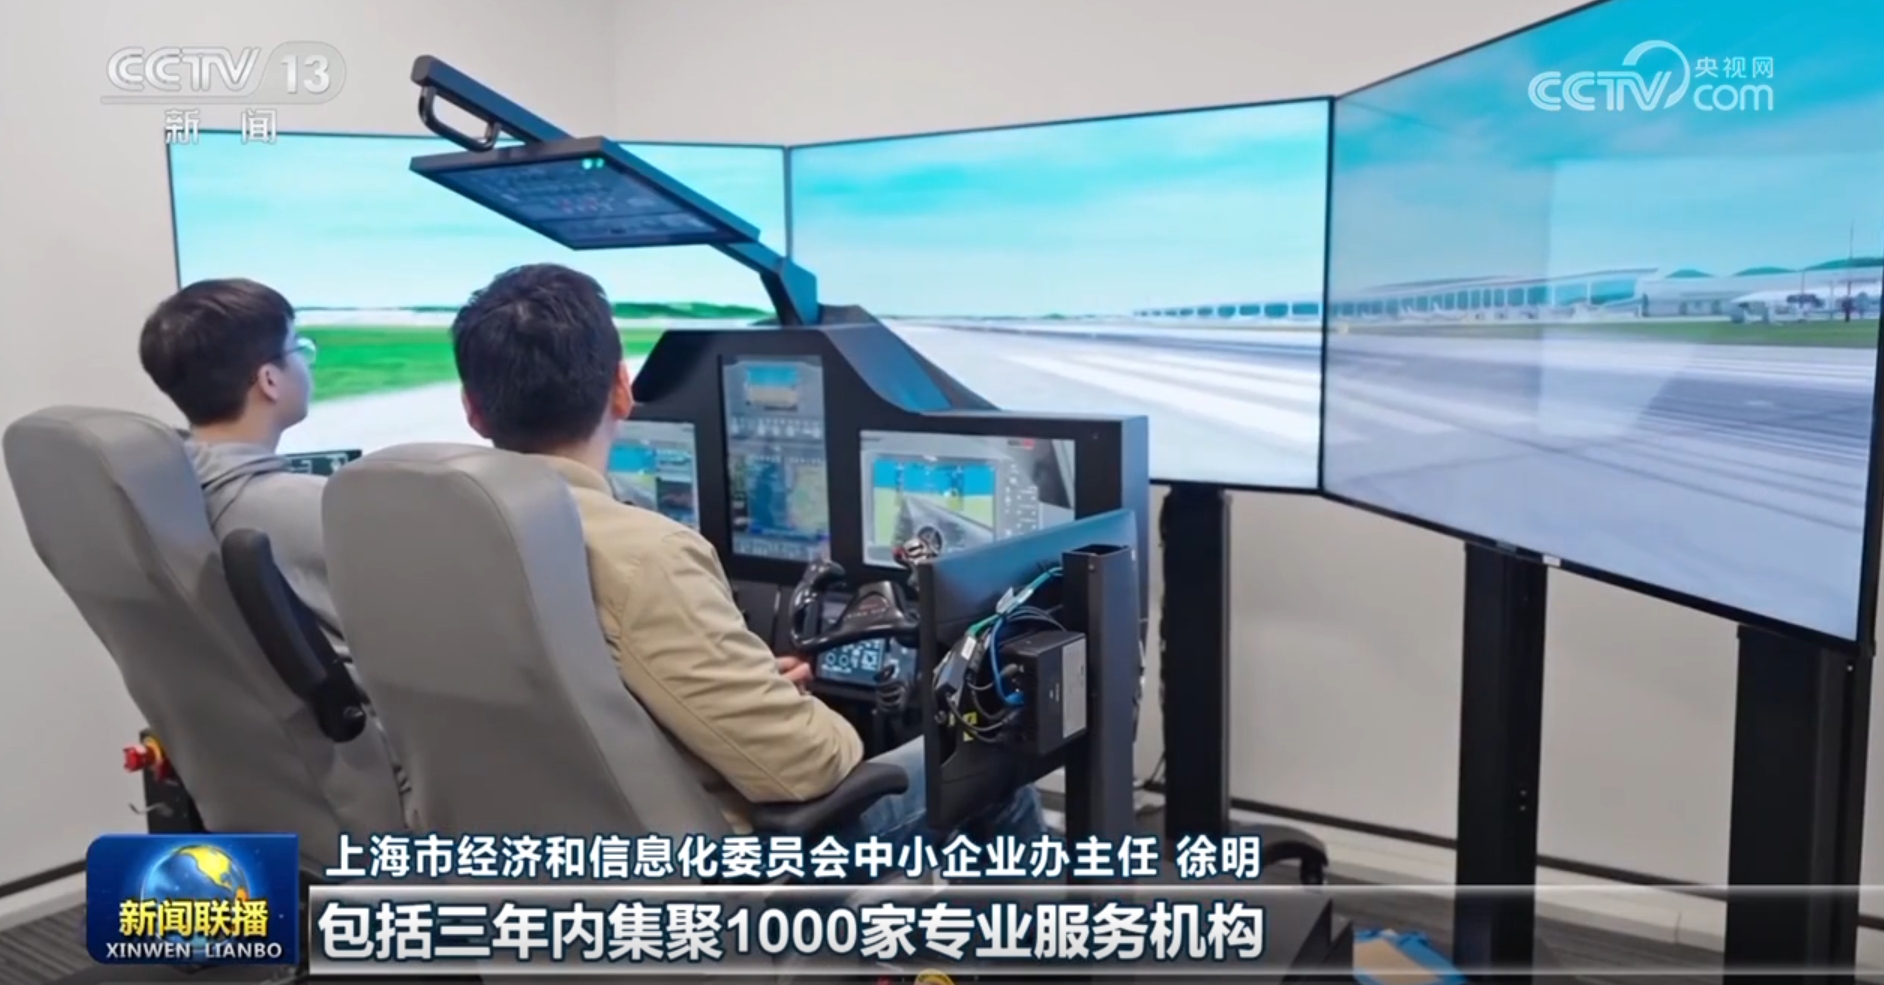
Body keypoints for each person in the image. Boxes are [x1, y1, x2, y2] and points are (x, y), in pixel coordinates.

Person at [450, 263, 1044, 844]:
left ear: (472, 409)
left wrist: (741, 688)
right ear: (622, 389)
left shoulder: (437, 543)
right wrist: (795, 713)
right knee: (991, 766)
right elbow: (809, 766)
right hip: (709, 860)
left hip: (524, 848)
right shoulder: (644, 556)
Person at [137, 278, 340, 652]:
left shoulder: (169, 489)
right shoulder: (317, 507)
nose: (306, 363)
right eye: (299, 348)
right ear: (269, 380)